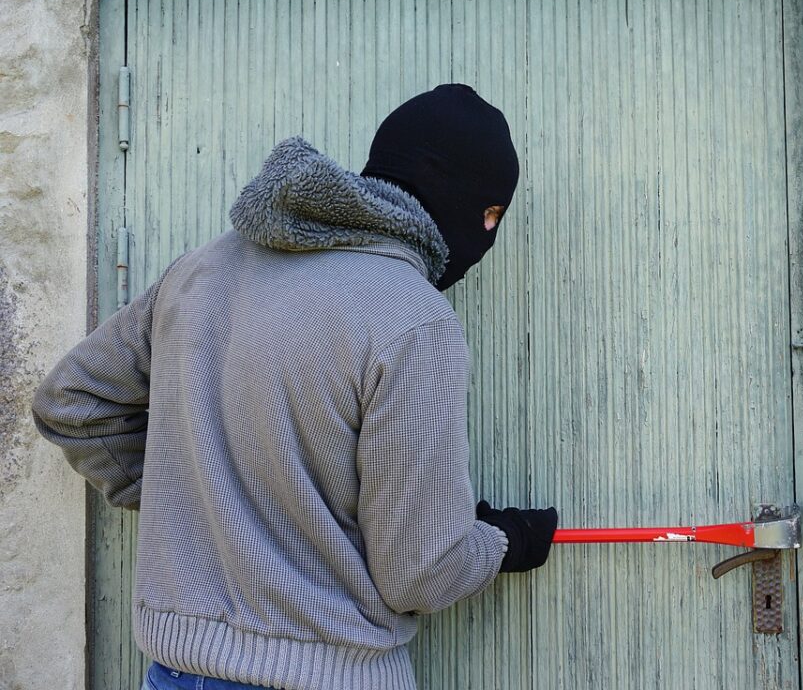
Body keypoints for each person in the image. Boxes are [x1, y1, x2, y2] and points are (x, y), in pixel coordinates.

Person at [31, 83, 557, 690]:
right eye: (489, 213)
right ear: (448, 191)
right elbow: (419, 574)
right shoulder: (414, 319)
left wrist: (201, 496)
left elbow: (71, 401)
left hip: (176, 673)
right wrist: (504, 541)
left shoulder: (202, 270)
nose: (486, 234)